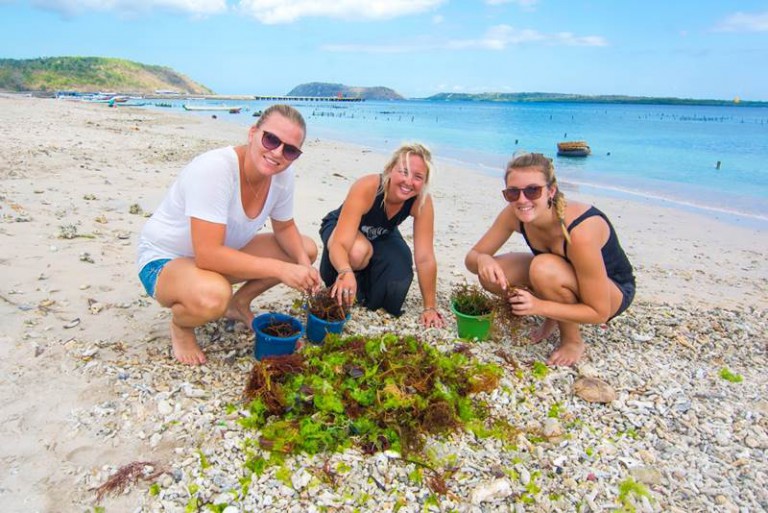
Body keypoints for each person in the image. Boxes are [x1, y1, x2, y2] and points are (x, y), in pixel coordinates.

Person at [136, 104, 321, 365]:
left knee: (306, 248)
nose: (278, 153)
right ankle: (181, 326)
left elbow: (285, 227)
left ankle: (239, 304)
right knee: (214, 296)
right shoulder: (215, 169)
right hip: (164, 260)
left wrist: (304, 266)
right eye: (271, 140)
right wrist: (281, 270)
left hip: (218, 253)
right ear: (252, 133)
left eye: (290, 150)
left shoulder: (282, 174)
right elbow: (208, 255)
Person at [464, 152, 635, 366]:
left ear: (551, 191)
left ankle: (572, 340)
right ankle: (555, 311)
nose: (522, 200)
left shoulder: (580, 231)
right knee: (492, 275)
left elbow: (599, 312)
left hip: (611, 292)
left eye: (532, 190)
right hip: (559, 273)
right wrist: (483, 259)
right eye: (513, 192)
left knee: (543, 268)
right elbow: (471, 259)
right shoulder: (513, 213)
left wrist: (539, 306)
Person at [318, 143, 445, 328]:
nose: (409, 181)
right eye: (404, 172)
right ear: (390, 170)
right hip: (342, 229)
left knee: (399, 271)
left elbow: (425, 257)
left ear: (424, 182)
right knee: (358, 252)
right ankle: (341, 282)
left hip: (380, 232)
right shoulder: (367, 187)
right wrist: (345, 271)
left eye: (418, 177)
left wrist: (430, 307)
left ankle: (363, 292)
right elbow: (340, 243)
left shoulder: (422, 201)